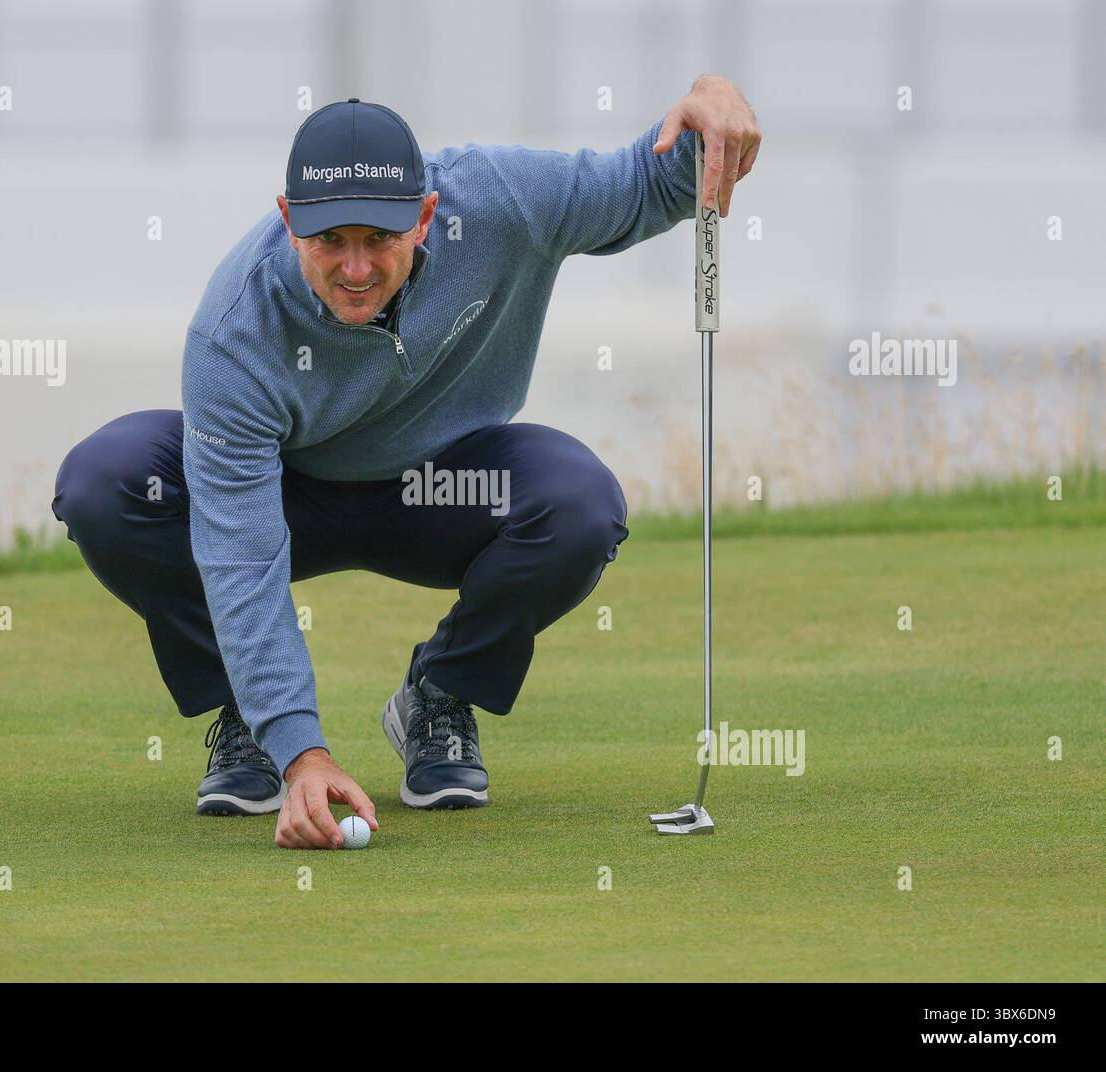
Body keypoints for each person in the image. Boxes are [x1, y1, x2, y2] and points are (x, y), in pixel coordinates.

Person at [51, 77, 761, 850]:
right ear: (289, 223)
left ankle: (439, 693)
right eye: (330, 241)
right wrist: (304, 751)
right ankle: (251, 727)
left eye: (380, 239)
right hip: (289, 494)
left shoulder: (498, 199)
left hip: (443, 490)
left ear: (425, 216)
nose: (356, 269)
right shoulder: (234, 332)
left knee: (580, 503)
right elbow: (242, 554)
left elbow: (650, 184)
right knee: (107, 481)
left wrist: (710, 109)